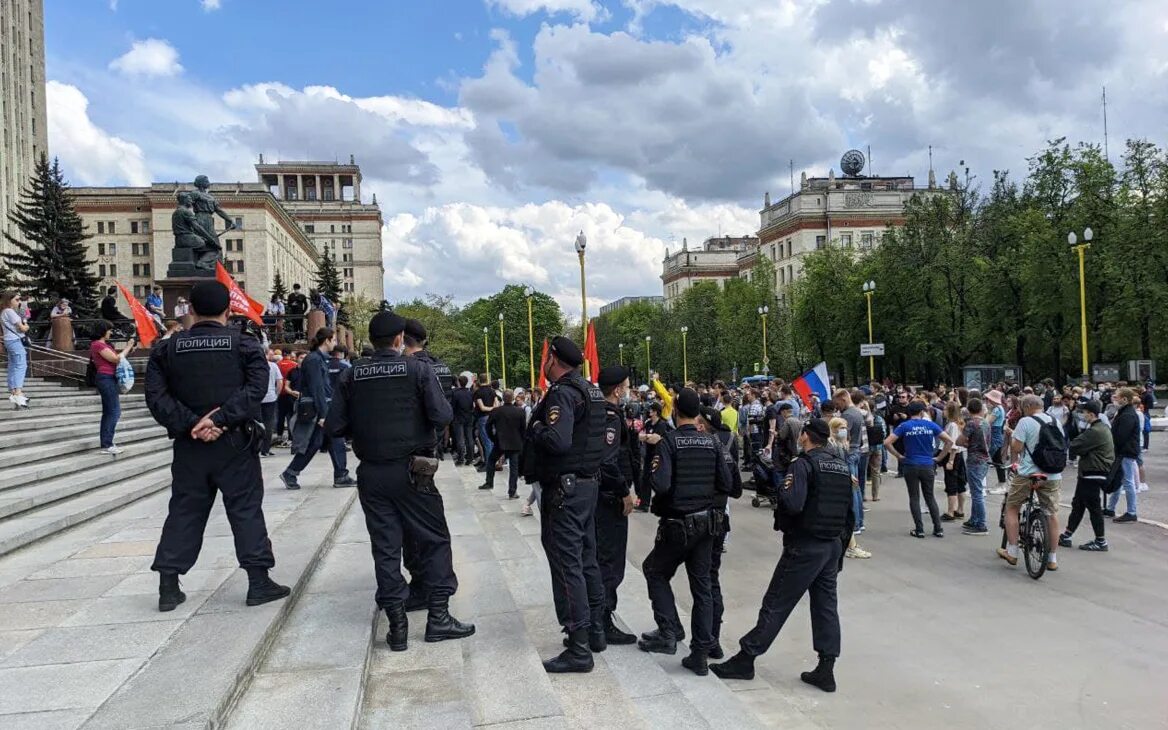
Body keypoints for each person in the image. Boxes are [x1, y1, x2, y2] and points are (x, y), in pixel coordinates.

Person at [325, 311, 474, 651]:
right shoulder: (418, 369)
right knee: (434, 539)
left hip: (372, 472)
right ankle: (438, 618)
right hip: (413, 471)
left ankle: (398, 626)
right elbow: (442, 415)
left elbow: (333, 426)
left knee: (386, 547)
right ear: (398, 340)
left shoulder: (352, 376)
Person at [145, 281, 289, 612]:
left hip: (189, 445)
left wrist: (190, 424)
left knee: (184, 510)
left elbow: (156, 397)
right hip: (235, 442)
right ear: (229, 310)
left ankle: (168, 585)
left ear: (190, 310)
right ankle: (258, 581)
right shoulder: (245, 344)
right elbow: (257, 388)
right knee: (246, 508)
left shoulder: (168, 348)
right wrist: (221, 419)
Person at [711, 418, 853, 692]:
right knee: (825, 606)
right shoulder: (841, 466)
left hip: (805, 546)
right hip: (831, 545)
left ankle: (746, 658)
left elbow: (792, 502)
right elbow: (850, 514)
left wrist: (782, 500)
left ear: (806, 437)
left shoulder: (803, 465)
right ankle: (826, 667)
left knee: (776, 603)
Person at [518, 336, 607, 673]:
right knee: (586, 560)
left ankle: (579, 646)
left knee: (566, 564)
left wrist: (537, 426)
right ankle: (595, 630)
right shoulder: (590, 390)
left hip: (565, 492)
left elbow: (558, 440)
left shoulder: (563, 394)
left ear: (553, 359)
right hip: (586, 487)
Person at [637, 389, 731, 677]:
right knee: (701, 586)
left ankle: (669, 631)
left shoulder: (670, 442)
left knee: (654, 570)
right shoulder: (712, 442)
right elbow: (726, 483)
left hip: (677, 524)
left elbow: (661, 485)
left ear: (675, 411)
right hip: (708, 524)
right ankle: (700, 653)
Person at [595, 366, 641, 646]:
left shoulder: (598, 411)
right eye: (625, 386)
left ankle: (596, 618)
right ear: (617, 390)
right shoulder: (610, 417)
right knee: (610, 562)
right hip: (609, 498)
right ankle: (602, 620)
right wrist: (624, 491)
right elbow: (607, 460)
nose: (627, 390)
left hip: (600, 496)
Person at [279, 327, 356, 489]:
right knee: (318, 442)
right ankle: (291, 473)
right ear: (326, 340)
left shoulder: (319, 359)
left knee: (330, 440)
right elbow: (317, 388)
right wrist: (323, 414)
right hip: (316, 408)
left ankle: (340, 474)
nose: (335, 343)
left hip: (321, 406)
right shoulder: (314, 360)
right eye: (333, 340)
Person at [698, 404, 744, 660]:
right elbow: (736, 490)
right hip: (717, 519)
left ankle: (698, 639)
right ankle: (712, 639)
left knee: (702, 582)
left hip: (697, 521)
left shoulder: (701, 448)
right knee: (710, 580)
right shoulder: (725, 450)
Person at [998, 395, 1063, 571]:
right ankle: (1052, 558)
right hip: (1052, 474)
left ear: (1026, 407)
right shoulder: (1056, 422)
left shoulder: (1025, 421)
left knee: (1012, 507)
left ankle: (1012, 552)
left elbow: (1017, 448)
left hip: (1029, 472)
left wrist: (1013, 437)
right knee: (1051, 513)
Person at [884, 401, 954, 538]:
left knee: (914, 497)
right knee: (930, 497)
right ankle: (938, 528)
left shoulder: (905, 426)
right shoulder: (930, 425)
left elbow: (887, 442)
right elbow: (950, 441)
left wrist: (898, 455)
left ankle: (919, 529)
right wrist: (940, 457)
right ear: (922, 412)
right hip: (927, 464)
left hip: (910, 464)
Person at [1059, 400, 1113, 551]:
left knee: (1093, 507)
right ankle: (1067, 535)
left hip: (1092, 472)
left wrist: (1081, 449)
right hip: (1092, 472)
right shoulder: (1101, 428)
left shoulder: (1094, 431)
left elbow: (1075, 445)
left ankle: (1101, 541)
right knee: (1079, 504)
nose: (1082, 415)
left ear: (1091, 414)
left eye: (1084, 412)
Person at [89, 320, 136, 452]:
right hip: (105, 378)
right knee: (114, 411)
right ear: (102, 331)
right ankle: (107, 444)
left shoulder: (104, 344)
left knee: (109, 411)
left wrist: (129, 349)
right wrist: (128, 346)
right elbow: (115, 359)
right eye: (108, 330)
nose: (110, 332)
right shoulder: (97, 344)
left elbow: (117, 357)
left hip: (109, 378)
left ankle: (106, 443)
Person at [1105, 388, 1141, 523]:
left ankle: (1131, 512)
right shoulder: (1125, 412)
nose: (1114, 399)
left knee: (1127, 481)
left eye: (1117, 397)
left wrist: (1112, 447)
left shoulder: (1127, 415)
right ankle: (1110, 508)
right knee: (1120, 480)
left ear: (1124, 399)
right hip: (1124, 451)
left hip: (1125, 452)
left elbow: (1121, 436)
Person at [482, 389, 527, 496]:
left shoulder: (496, 411)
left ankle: (489, 482)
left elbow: (487, 426)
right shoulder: (520, 411)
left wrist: (493, 438)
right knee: (513, 468)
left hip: (500, 442)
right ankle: (512, 491)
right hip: (515, 443)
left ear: (503, 397)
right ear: (513, 399)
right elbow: (523, 429)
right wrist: (521, 441)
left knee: (491, 460)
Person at [958, 397, 992, 536]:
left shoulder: (971, 424)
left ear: (968, 409)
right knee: (975, 490)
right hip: (984, 458)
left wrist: (966, 442)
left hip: (974, 459)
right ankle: (974, 518)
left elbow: (960, 440)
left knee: (976, 492)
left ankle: (981, 524)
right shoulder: (986, 423)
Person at [636, 401, 671, 512]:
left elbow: (655, 439)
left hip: (658, 455)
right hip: (648, 454)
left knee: (657, 480)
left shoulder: (661, 424)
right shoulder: (648, 423)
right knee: (645, 479)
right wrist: (648, 436)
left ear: (655, 412)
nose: (649, 412)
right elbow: (640, 436)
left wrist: (647, 437)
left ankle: (663, 503)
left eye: (651, 410)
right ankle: (644, 504)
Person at [2, 291, 31, 409]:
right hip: (15, 341)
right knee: (21, 365)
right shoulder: (10, 311)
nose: (19, 302)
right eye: (17, 300)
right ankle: (18, 392)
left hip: (8, 341)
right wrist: (26, 324)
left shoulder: (3, 312)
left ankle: (13, 391)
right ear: (9, 300)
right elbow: (23, 328)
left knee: (13, 365)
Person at [940, 401, 968, 522]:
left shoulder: (952, 425)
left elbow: (953, 444)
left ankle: (951, 511)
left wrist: (950, 461)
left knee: (951, 483)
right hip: (960, 455)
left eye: (945, 409)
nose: (943, 411)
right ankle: (960, 510)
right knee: (961, 483)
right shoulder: (959, 423)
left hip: (953, 455)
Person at [260, 348, 282, 457]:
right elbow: (279, 381)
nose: (272, 356)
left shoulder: (254, 365)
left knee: (257, 422)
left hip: (257, 398)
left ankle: (258, 447)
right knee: (268, 423)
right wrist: (276, 394)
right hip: (270, 397)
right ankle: (266, 449)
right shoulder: (273, 366)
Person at [274, 350, 299, 446]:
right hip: (291, 393)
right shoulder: (293, 365)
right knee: (291, 416)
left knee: (280, 416)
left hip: (280, 393)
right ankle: (291, 437)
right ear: (289, 355)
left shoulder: (277, 364)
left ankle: (279, 436)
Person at [473, 374, 498, 470]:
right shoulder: (492, 391)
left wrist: (489, 409)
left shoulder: (478, 392)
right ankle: (491, 462)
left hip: (482, 418)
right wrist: (493, 409)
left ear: (479, 380)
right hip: (492, 417)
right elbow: (497, 404)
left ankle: (488, 464)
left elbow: (482, 407)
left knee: (486, 441)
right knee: (491, 441)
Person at [451, 375, 476, 465]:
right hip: (469, 418)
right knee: (469, 438)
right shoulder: (470, 393)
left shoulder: (455, 393)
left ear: (459, 382)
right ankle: (470, 457)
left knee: (460, 439)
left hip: (458, 418)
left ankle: (461, 458)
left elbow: (452, 406)